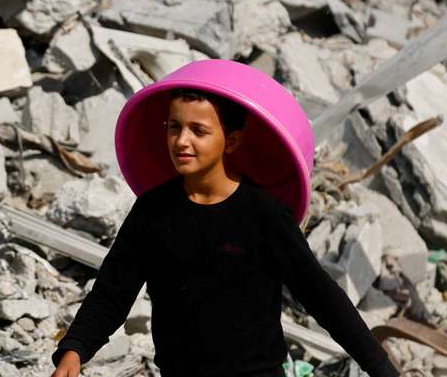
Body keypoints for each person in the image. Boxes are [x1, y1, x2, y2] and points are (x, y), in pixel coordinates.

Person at [49, 87, 399, 377]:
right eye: (174, 127)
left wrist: (380, 368)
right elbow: (112, 292)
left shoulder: (264, 215)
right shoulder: (152, 211)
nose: (182, 141)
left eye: (198, 131)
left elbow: (322, 297)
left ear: (231, 141)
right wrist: (75, 348)